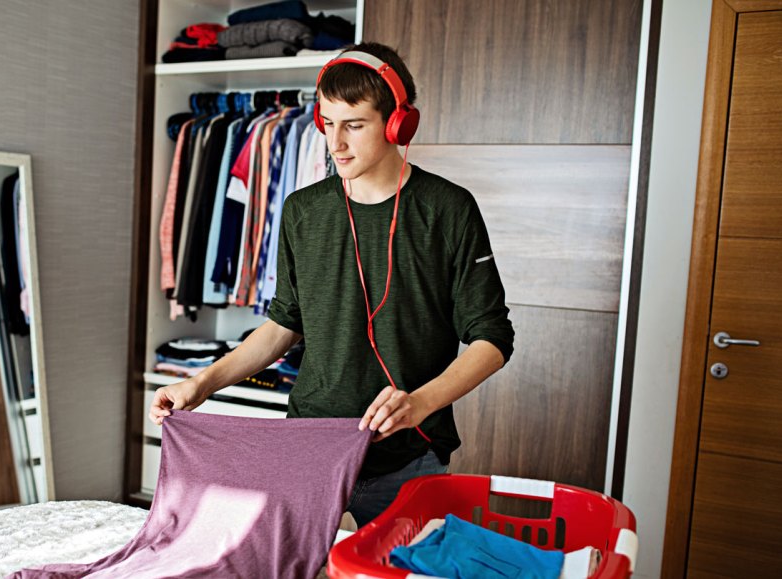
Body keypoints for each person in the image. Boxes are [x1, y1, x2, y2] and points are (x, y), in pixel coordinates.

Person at [149, 41, 514, 527]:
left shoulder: (448, 209)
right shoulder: (303, 210)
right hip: (309, 446)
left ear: (396, 124)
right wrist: (201, 382)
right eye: (326, 122)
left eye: (354, 125)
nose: (335, 142)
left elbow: (492, 338)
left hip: (410, 456)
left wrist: (419, 403)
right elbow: (284, 325)